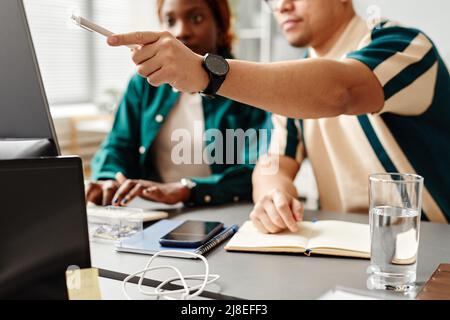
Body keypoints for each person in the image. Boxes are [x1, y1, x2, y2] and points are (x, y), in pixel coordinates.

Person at [106, 0, 450, 231]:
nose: (281, 5)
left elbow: (340, 91)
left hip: (429, 251)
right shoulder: (294, 87)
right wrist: (273, 194)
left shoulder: (405, 45)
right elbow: (272, 166)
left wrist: (206, 72)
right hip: (344, 247)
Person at [87, 0, 267, 207]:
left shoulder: (249, 85)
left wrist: (187, 189)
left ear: (220, 24)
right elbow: (117, 144)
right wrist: (107, 178)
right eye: (170, 21)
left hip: (229, 212)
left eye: (196, 18)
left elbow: (260, 170)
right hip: (156, 213)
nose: (181, 32)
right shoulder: (144, 84)